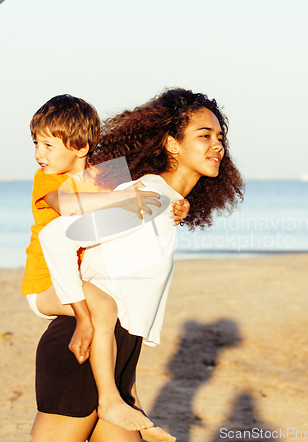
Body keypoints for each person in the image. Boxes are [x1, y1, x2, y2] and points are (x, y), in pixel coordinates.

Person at [30, 88, 244, 442]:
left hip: (115, 356)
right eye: (204, 135)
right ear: (172, 144)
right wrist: (83, 315)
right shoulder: (145, 198)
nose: (217, 145)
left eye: (219, 137)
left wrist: (127, 385)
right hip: (82, 351)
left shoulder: (162, 201)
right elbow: (56, 236)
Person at [22, 94, 190, 432]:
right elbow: (70, 206)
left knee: (116, 320)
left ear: (80, 148)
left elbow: (132, 212)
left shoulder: (102, 178)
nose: (39, 154)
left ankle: (130, 399)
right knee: (103, 307)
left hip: (74, 279)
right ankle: (110, 399)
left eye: (48, 145)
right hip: (45, 284)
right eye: (36, 144)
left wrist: (176, 207)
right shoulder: (50, 181)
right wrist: (83, 319)